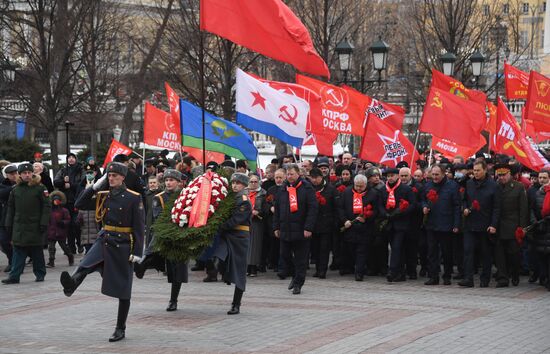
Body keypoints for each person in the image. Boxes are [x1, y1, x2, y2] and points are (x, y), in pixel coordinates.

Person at [60, 162, 144, 342]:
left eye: (114, 176)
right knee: (85, 264)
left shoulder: (133, 197)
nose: (111, 179)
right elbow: (79, 203)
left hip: (123, 244)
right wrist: (94, 187)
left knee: (123, 289)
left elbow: (139, 227)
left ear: (122, 177)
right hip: (104, 238)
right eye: (109, 176)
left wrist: (138, 252)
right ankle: (70, 285)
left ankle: (120, 328)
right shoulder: (103, 195)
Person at [135, 169, 188, 311]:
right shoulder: (159, 198)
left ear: (178, 182)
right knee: (154, 256)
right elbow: (158, 218)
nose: (168, 183)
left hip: (180, 237)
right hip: (164, 236)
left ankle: (173, 300)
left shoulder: (185, 196)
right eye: (166, 180)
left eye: (172, 180)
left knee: (177, 270)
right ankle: (142, 266)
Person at [2, 163, 51, 284]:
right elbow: (10, 208)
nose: (27, 175)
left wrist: (44, 222)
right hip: (19, 226)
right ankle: (14, 276)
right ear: (20, 175)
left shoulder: (40, 188)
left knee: (36, 252)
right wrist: (8, 224)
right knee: (18, 252)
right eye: (24, 173)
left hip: (35, 225)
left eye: (29, 172)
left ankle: (40, 274)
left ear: (32, 173)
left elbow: (46, 207)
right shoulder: (15, 189)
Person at [273, 164, 318, 294]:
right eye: (288, 174)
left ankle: (298, 283)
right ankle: (294, 275)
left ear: (298, 174)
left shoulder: (307, 188)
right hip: (285, 229)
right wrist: (276, 226)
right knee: (285, 255)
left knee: (301, 259)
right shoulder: (283, 188)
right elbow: (277, 209)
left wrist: (308, 227)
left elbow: (313, 209)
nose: (289, 177)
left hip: (301, 229)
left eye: (292, 174)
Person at [212, 172, 252, 314]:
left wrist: (219, 226)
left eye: (238, 183)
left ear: (244, 185)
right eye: (233, 183)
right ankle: (220, 269)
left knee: (240, 271)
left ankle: (236, 304)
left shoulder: (243, 200)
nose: (234, 185)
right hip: (226, 235)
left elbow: (236, 220)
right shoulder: (228, 198)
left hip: (239, 237)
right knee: (217, 257)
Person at [459, 160, 501, 288]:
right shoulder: (469, 183)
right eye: (474, 170)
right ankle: (468, 278)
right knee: (468, 251)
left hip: (486, 225)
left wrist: (493, 224)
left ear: (485, 170)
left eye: (478, 170)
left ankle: (485, 279)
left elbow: (497, 208)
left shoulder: (494, 186)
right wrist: (464, 208)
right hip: (470, 224)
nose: (476, 173)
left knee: (485, 253)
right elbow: (465, 200)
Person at [422, 164, 461, 286]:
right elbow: (422, 199)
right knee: (432, 252)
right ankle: (433, 276)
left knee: (446, 252)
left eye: (437, 174)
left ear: (443, 174)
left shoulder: (452, 186)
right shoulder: (427, 185)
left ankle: (447, 275)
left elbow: (456, 206)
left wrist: (456, 224)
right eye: (432, 174)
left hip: (446, 224)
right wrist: (424, 207)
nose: (434, 177)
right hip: (431, 223)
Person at [338, 174, 378, 281]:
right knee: (351, 249)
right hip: (350, 226)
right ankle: (353, 267)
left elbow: (376, 211)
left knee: (362, 250)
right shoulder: (347, 192)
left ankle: (359, 273)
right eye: (357, 186)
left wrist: (367, 218)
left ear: (366, 184)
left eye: (361, 186)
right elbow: (340, 208)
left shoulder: (373, 194)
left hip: (365, 228)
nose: (359, 188)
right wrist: (345, 220)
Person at [494, 164, 528, 287]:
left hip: (513, 227)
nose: (501, 177)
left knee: (514, 254)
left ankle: (514, 273)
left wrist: (522, 227)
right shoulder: (496, 187)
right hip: (498, 226)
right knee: (499, 254)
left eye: (504, 175)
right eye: (499, 175)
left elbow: (523, 209)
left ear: (510, 174)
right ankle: (503, 278)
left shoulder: (519, 187)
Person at [379, 168, 415, 282]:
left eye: (392, 175)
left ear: (397, 176)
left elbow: (412, 205)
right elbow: (379, 204)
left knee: (396, 247)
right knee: (397, 248)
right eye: (388, 176)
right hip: (388, 223)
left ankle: (392, 271)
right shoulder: (383, 189)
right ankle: (401, 273)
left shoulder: (406, 189)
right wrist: (385, 214)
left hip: (401, 223)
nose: (390, 178)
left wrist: (400, 212)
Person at [309, 167, 337, 279]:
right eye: (312, 178)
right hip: (313, 223)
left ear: (322, 177)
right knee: (315, 248)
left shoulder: (330, 189)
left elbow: (336, 207)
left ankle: (322, 270)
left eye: (316, 178)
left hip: (326, 223)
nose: (315, 180)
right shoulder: (309, 188)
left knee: (324, 248)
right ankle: (317, 269)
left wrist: (334, 222)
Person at [54, 153, 83, 254]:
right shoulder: (63, 170)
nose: (71, 159)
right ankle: (71, 247)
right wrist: (63, 182)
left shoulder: (80, 169)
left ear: (76, 159)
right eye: (69, 158)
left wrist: (70, 184)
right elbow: (56, 182)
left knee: (77, 224)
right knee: (69, 224)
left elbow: (82, 183)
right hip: (66, 201)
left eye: (72, 157)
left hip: (77, 200)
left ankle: (79, 243)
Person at [399, 167, 424, 279]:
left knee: (412, 248)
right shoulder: (397, 186)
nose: (403, 178)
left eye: (406, 176)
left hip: (414, 222)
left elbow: (422, 202)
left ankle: (412, 271)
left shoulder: (418, 187)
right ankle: (401, 271)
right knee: (401, 248)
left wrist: (411, 205)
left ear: (410, 175)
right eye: (402, 176)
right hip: (400, 222)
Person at [46, 191, 74, 267]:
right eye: (54, 200)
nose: (56, 202)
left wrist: (63, 222)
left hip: (61, 232)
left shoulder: (64, 210)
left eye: (57, 200)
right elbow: (47, 221)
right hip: (52, 232)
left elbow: (68, 220)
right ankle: (51, 261)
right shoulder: (49, 210)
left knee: (64, 247)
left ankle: (70, 256)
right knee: (51, 248)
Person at [246, 174, 266, 277]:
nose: (253, 184)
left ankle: (253, 268)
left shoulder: (263, 193)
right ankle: (246, 267)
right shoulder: (244, 192)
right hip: (245, 221)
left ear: (259, 182)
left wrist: (259, 212)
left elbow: (266, 208)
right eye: (251, 182)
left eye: (255, 182)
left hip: (257, 221)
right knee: (246, 245)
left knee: (255, 246)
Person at [0, 164, 17, 272]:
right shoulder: (3, 184)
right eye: (12, 174)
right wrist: (12, 188)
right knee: (4, 241)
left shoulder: (25, 183)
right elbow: (2, 193)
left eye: (16, 173)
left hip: (19, 218)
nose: (14, 176)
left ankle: (16, 263)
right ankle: (12, 260)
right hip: (4, 218)